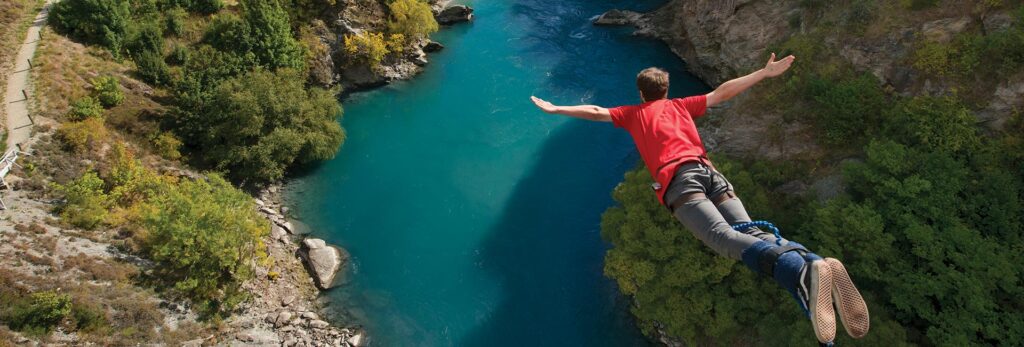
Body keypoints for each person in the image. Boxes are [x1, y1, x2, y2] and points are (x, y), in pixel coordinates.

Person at [529, 54, 870, 345]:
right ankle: (811, 260)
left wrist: (556, 108)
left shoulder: (633, 114)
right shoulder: (681, 105)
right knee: (751, 232)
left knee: (721, 238)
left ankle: (800, 272)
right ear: (666, 90)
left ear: (641, 94)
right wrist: (764, 73)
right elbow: (722, 93)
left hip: (679, 180)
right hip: (711, 174)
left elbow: (596, 110)